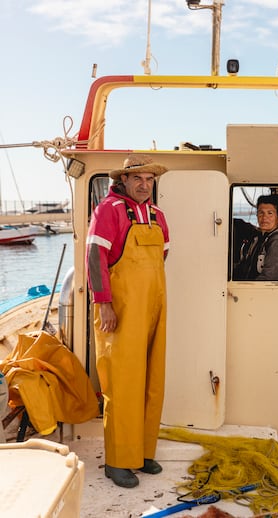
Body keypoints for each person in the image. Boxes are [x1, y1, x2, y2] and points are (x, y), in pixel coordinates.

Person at [86, 154, 169, 489]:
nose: (144, 184)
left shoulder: (158, 215)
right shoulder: (108, 210)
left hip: (154, 306)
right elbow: (94, 257)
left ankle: (144, 453)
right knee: (122, 384)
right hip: (119, 309)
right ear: (123, 180)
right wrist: (104, 302)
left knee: (152, 378)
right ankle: (119, 461)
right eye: (138, 179)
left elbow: (163, 253)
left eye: (149, 179)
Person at [234, 193, 278, 281]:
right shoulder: (259, 239)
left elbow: (270, 279)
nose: (264, 217)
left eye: (270, 213)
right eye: (261, 213)